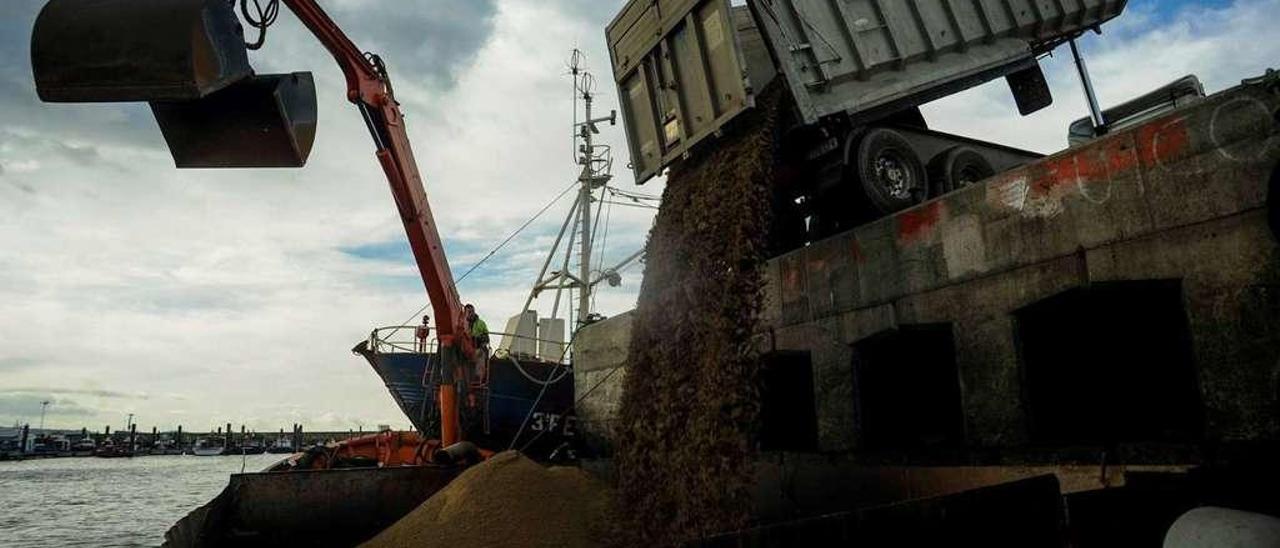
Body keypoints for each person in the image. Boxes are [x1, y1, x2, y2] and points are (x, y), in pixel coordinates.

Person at [465, 304, 490, 382]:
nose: (471, 313)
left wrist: (480, 345)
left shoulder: (481, 323)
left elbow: (486, 338)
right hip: (465, 349)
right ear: (465, 313)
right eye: (469, 312)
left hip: (478, 348)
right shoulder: (462, 323)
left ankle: (478, 378)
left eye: (472, 311)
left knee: (480, 354)